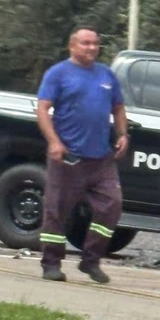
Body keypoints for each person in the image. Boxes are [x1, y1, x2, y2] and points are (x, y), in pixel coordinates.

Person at [35, 26, 130, 284]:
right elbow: (43, 110)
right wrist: (54, 142)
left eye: (95, 44)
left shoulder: (107, 75)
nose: (91, 48)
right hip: (68, 157)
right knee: (57, 211)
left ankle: (91, 260)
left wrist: (122, 134)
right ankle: (51, 263)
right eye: (86, 43)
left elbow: (119, 108)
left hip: (101, 159)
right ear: (72, 46)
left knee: (112, 205)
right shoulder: (58, 74)